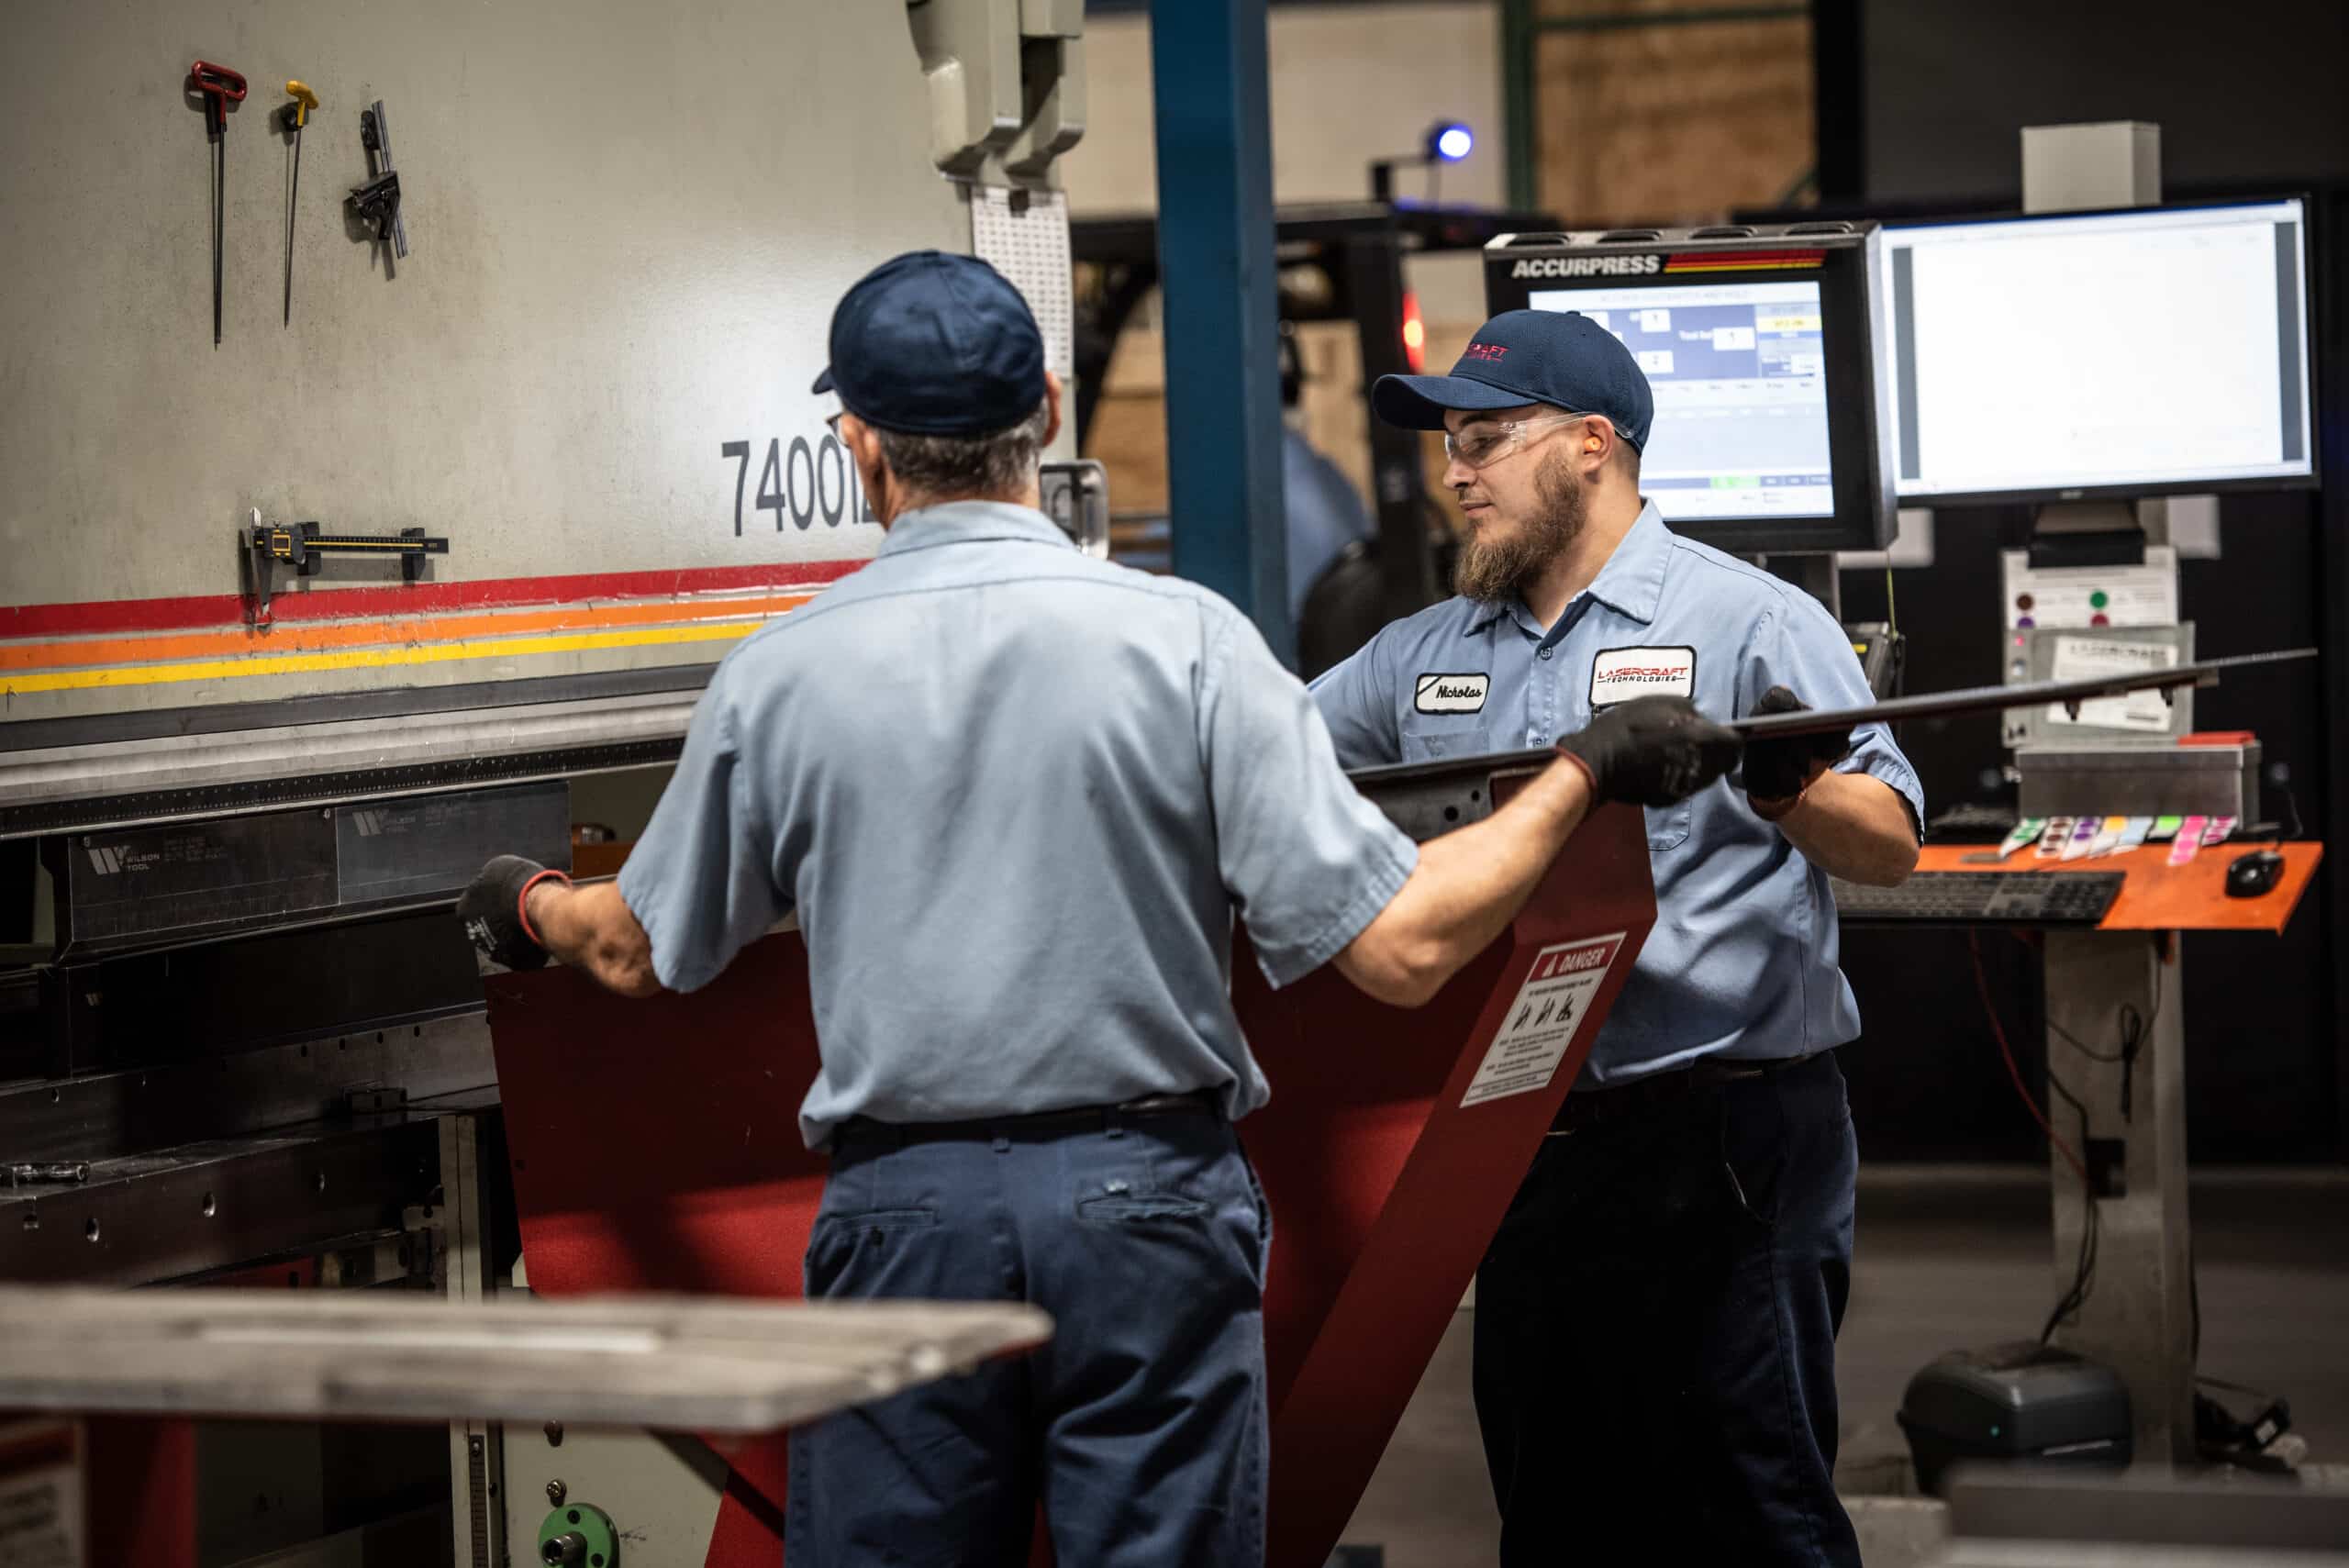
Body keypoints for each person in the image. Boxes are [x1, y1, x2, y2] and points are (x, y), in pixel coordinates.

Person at [457, 253, 1742, 1568]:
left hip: (907, 1219)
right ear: (1053, 415)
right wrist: (1582, 771)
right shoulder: (1189, 643)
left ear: (857, 443)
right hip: (1150, 1214)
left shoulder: (782, 673)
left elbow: (640, 946)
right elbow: (1407, 945)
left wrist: (537, 902)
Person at [1309, 307, 1924, 1566]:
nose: (1455, 473)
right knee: (1555, 1507)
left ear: (1593, 444)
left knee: (1753, 1500)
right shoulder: (1422, 653)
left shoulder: (1749, 620)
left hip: (1734, 1138)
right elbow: (1262, 772)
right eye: (1449, 445)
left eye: (1484, 438)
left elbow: (1892, 841)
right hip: (1526, 1145)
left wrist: (1791, 784)